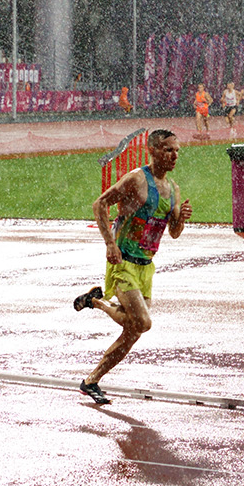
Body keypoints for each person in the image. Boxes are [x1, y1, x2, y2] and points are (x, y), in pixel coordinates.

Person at [73, 129, 192, 405]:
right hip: (123, 261)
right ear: (152, 150)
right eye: (167, 150)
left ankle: (91, 381)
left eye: (176, 151)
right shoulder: (137, 180)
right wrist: (109, 245)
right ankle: (100, 303)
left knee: (133, 332)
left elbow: (173, 232)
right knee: (143, 323)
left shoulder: (172, 188)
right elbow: (100, 203)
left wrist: (181, 219)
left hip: (146, 266)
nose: (173, 156)